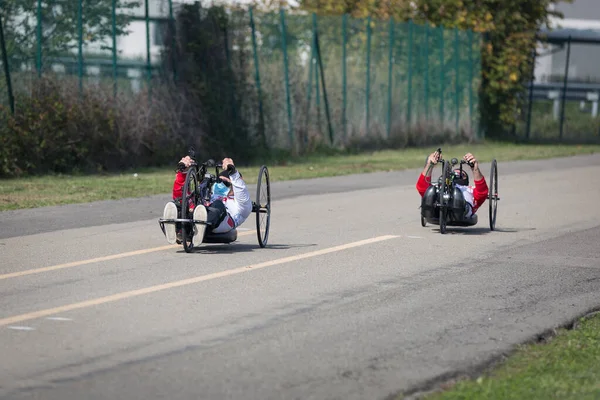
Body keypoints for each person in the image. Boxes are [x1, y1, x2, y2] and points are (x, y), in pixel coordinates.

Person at [162, 156, 253, 244]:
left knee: (218, 204)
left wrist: (232, 172)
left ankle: (199, 226)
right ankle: (179, 227)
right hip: (197, 211)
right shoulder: (210, 193)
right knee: (184, 201)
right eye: (218, 182)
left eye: (225, 183)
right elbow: (183, 195)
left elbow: (241, 190)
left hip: (222, 221)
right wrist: (182, 171)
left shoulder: (241, 204)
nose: (221, 185)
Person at [416, 151, 488, 219]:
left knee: (456, 192)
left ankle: (456, 207)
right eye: (454, 172)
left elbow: (482, 193)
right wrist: (429, 164)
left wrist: (475, 169)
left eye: (461, 174)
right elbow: (422, 188)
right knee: (430, 191)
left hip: (462, 210)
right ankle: (436, 207)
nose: (455, 174)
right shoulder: (438, 186)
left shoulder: (469, 189)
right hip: (437, 205)